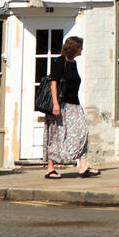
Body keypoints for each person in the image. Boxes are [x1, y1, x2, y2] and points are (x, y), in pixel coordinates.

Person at [43, 35, 100, 178]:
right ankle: (50, 168)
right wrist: (55, 103)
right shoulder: (59, 62)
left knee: (83, 132)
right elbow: (53, 83)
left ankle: (83, 166)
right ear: (74, 48)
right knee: (56, 135)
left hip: (74, 104)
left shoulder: (73, 63)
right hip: (61, 105)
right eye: (80, 47)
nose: (82, 49)